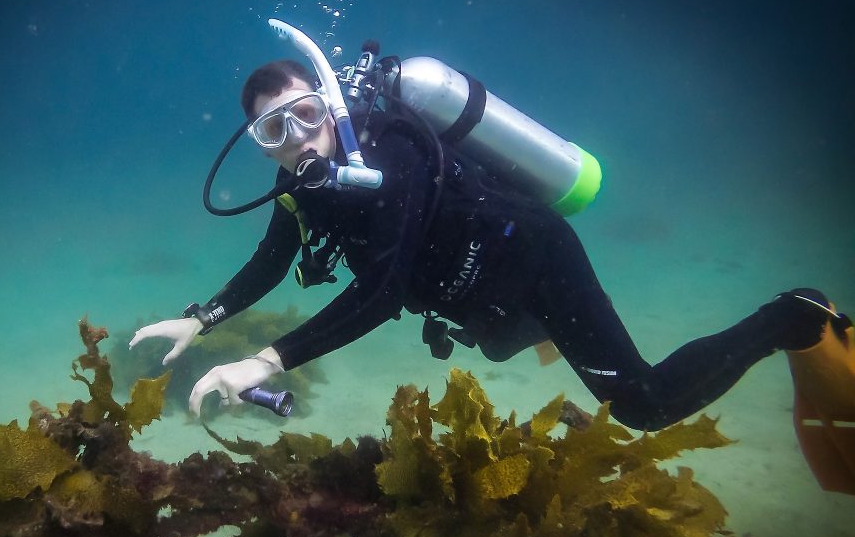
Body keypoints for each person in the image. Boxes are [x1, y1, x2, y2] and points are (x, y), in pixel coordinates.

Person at [130, 58, 855, 490]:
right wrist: (203, 317)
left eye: (306, 114)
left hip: (533, 259)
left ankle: (792, 315)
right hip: (480, 304)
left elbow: (381, 295)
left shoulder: (395, 153)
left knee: (641, 404)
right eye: (273, 131)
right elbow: (269, 261)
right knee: (508, 345)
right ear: (260, 146)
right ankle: (547, 336)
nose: (298, 140)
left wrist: (265, 361)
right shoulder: (299, 190)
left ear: (335, 105)